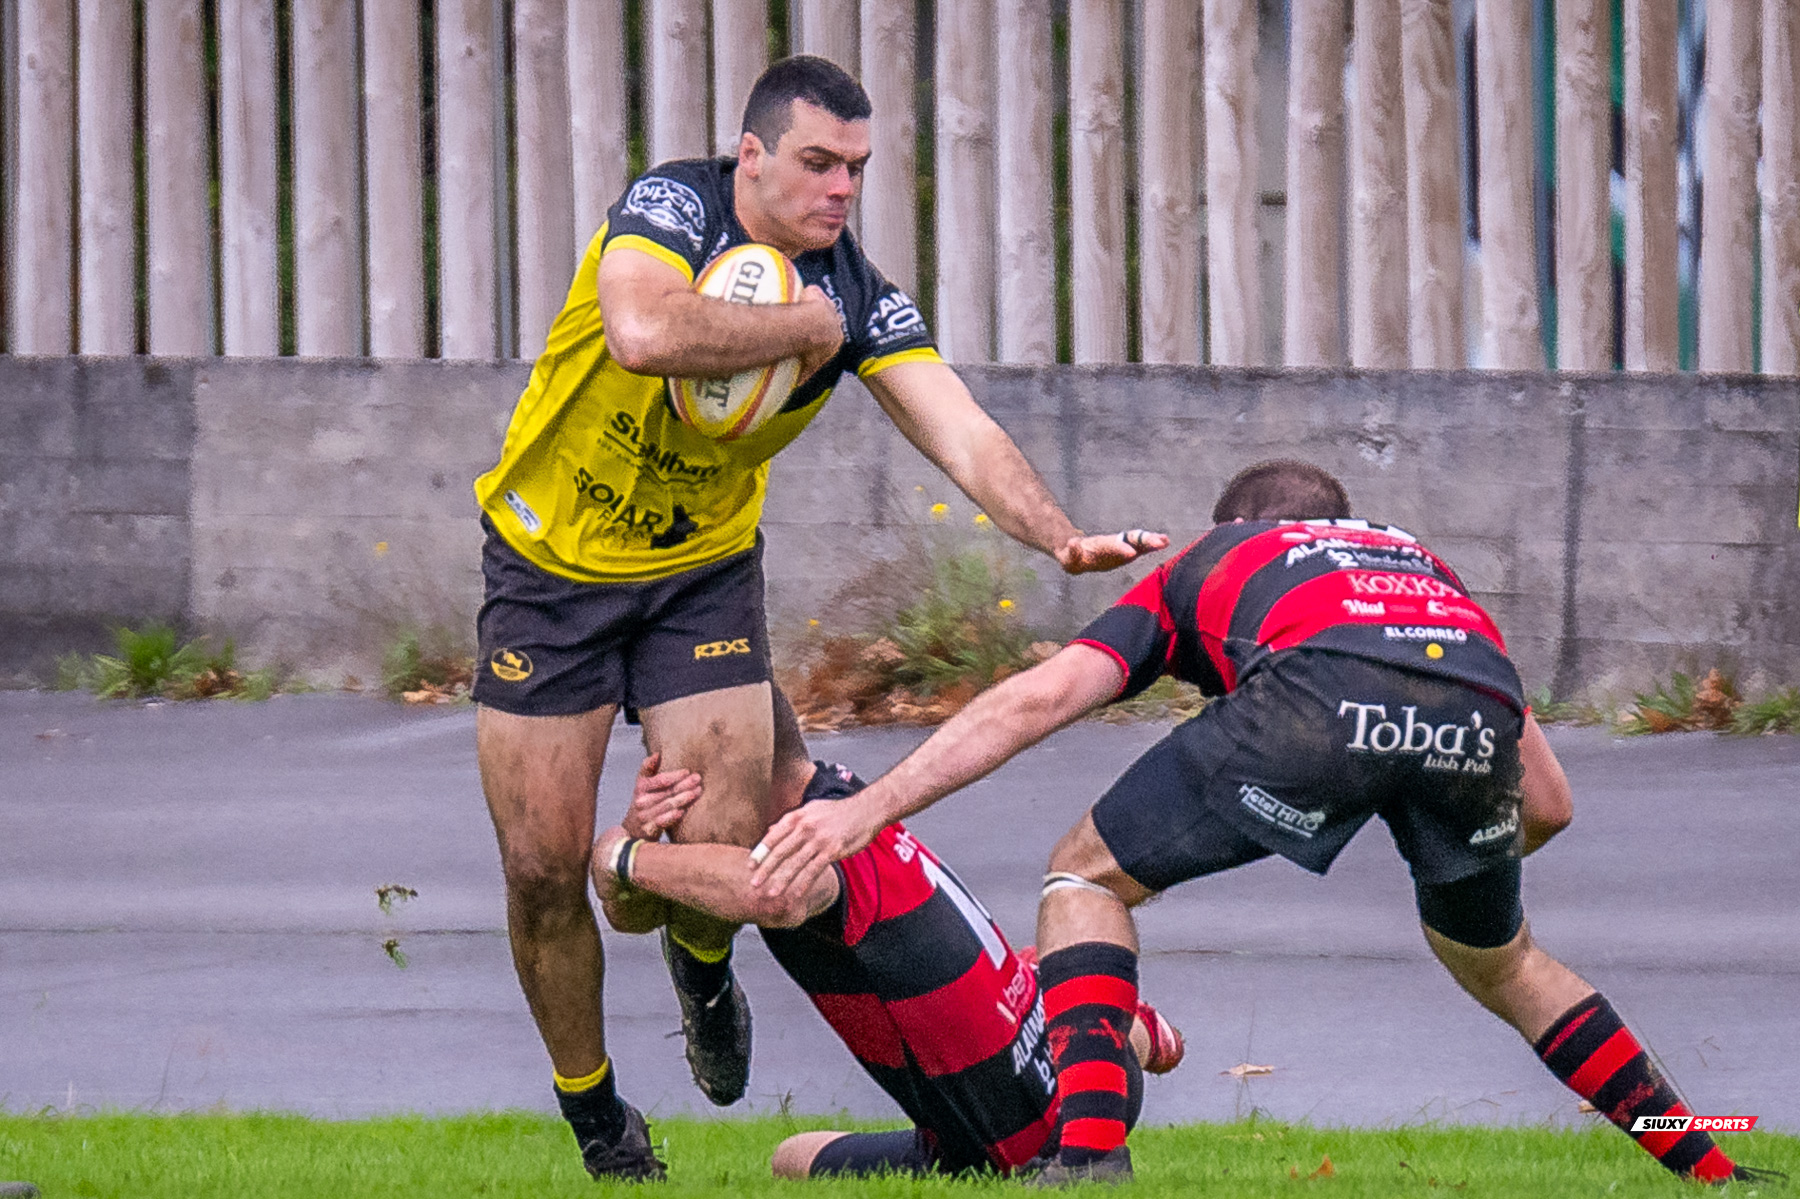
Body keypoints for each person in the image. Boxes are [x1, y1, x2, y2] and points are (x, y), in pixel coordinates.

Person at [469, 55, 1164, 1180]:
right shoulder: (674, 207)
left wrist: (1057, 534)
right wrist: (800, 324)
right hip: (548, 570)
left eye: (857, 168)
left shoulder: (858, 295)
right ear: (751, 157)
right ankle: (597, 1115)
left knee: (726, 839)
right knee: (542, 865)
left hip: (698, 575)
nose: (842, 189)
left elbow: (960, 426)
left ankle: (703, 972)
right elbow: (640, 330)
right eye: (818, 162)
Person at [750, 460, 1780, 1186]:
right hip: (1466, 706)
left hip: (1316, 690)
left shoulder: (1213, 559)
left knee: (1085, 876)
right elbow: (1549, 804)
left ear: (1233, 524)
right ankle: (1712, 1166)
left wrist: (869, 807)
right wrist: (1438, 833)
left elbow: (1040, 697)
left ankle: (1088, 1161)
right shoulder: (1422, 570)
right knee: (1505, 960)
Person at [591, 751, 1187, 1180]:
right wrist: (645, 828)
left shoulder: (814, 847)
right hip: (981, 1117)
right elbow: (639, 912)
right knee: (789, 1158)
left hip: (1029, 1131)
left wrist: (620, 852)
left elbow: (771, 895)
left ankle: (1137, 1030)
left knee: (1091, 1035)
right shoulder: (832, 798)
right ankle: (1139, 1030)